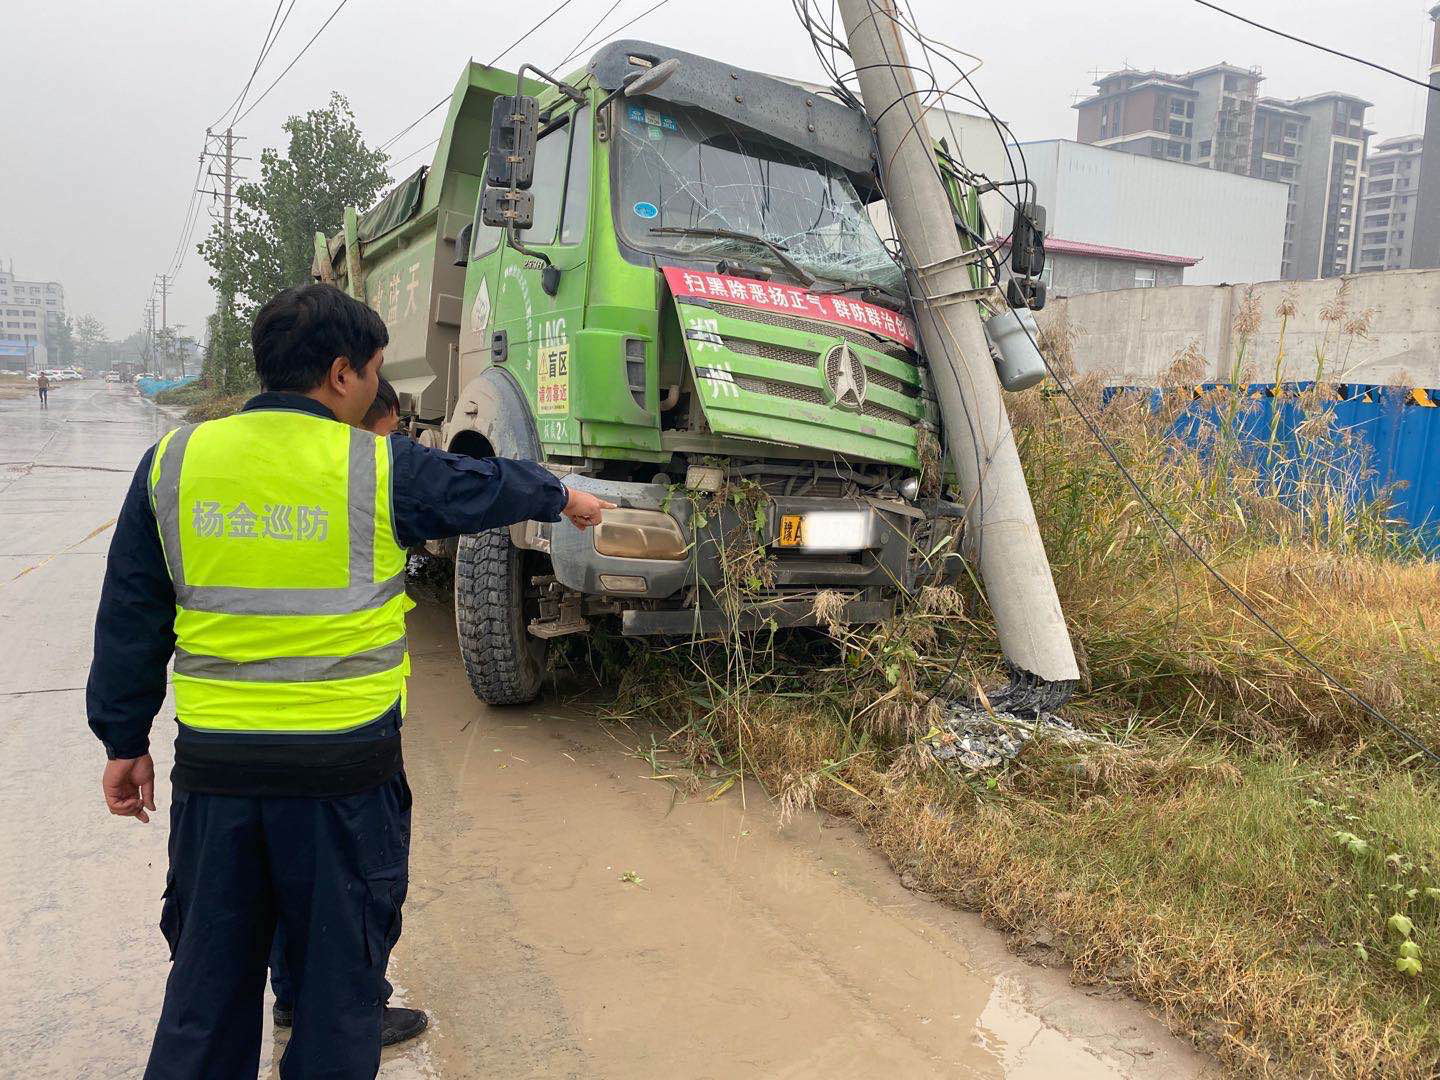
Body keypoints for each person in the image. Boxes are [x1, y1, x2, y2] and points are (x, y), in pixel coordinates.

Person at [87, 283, 613, 1080]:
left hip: (215, 780)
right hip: (342, 782)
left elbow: (130, 616)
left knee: (205, 996)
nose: (373, 386)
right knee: (339, 1002)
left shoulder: (174, 462)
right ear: (340, 375)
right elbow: (481, 488)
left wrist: (123, 742)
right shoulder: (376, 466)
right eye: (370, 370)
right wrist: (561, 492)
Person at [263, 371, 419, 1047]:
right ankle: (351, 1012)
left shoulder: (265, 485)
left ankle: (294, 1000)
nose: (388, 452)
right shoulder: (358, 477)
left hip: (248, 731)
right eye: (383, 436)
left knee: (282, 885)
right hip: (341, 738)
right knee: (355, 888)